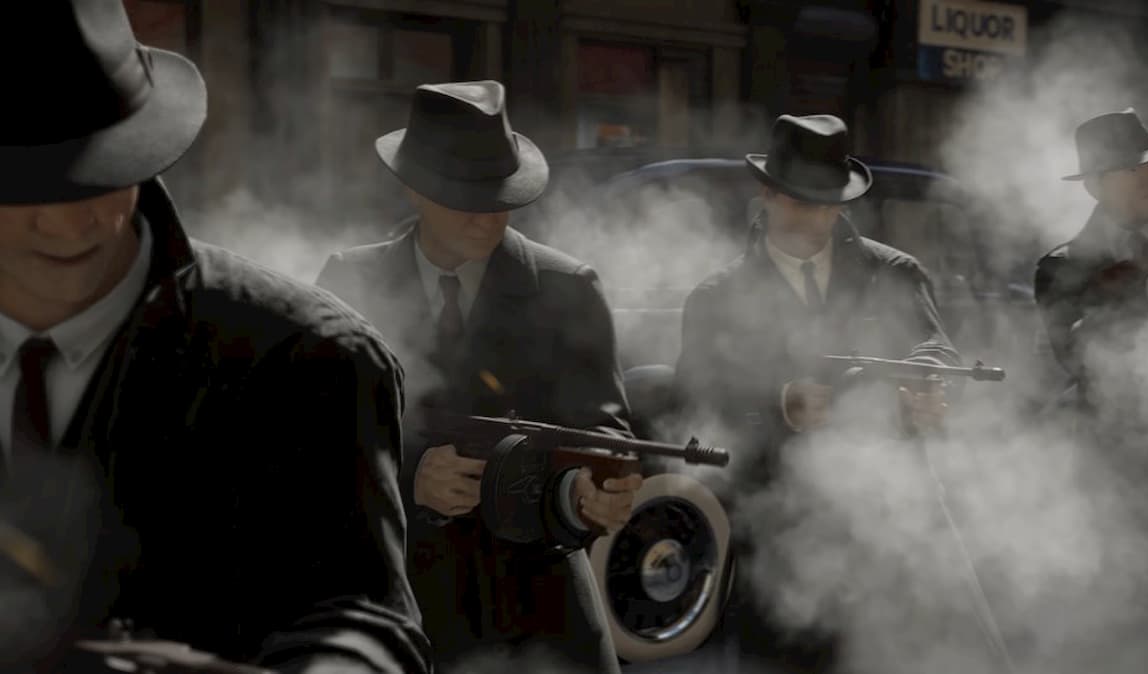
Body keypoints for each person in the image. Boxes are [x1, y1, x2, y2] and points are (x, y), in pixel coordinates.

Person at [0, 3, 431, 672]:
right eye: (23, 185)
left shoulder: (304, 357)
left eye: (100, 174)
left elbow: (361, 621)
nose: (67, 225)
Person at [314, 80, 642, 674]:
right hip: (404, 600)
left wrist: (593, 489)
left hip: (538, 602)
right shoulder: (350, 281)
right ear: (414, 189)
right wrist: (411, 479)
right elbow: (316, 442)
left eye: (499, 194)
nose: (487, 215)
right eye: (465, 195)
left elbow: (602, 430)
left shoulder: (567, 286)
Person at [673, 114, 961, 672]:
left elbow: (936, 349)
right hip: (772, 523)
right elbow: (695, 396)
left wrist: (925, 382)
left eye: (831, 204)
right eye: (803, 202)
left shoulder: (894, 272)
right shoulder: (718, 296)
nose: (820, 218)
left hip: (882, 516)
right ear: (767, 194)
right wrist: (778, 404)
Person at [1034, 107, 1148, 409]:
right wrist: (1147, 301)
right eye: (1128, 169)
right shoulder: (1060, 268)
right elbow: (1074, 356)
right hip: (1116, 428)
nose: (1147, 177)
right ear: (1094, 186)